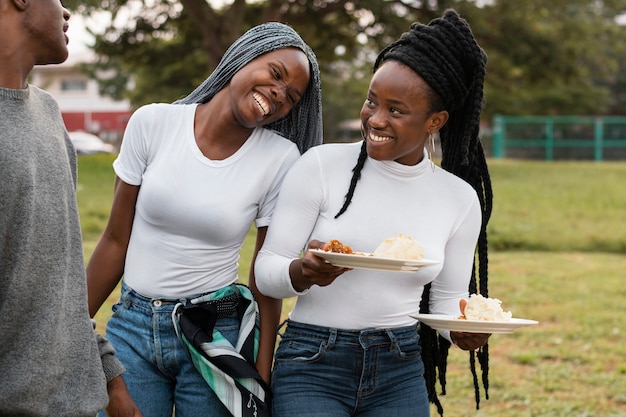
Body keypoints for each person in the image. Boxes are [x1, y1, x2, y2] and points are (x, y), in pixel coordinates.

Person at [255, 9, 493, 417]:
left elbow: (446, 302)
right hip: (312, 360)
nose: (375, 119)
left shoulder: (458, 198)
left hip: (399, 366)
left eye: (396, 110)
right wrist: (303, 273)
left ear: (435, 120)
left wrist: (462, 332)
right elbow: (266, 271)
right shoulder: (320, 166)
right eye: (371, 101)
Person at [85, 22, 322, 417]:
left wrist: (259, 376)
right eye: (275, 73)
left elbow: (264, 276)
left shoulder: (280, 158)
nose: (279, 93)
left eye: (291, 97)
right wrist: (72, 326)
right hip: (132, 329)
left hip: (213, 335)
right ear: (244, 56)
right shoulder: (153, 124)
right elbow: (114, 240)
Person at [0, 0, 140, 416]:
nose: (67, 13)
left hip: (76, 403)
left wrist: (109, 375)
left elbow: (59, 279)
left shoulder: (48, 113)